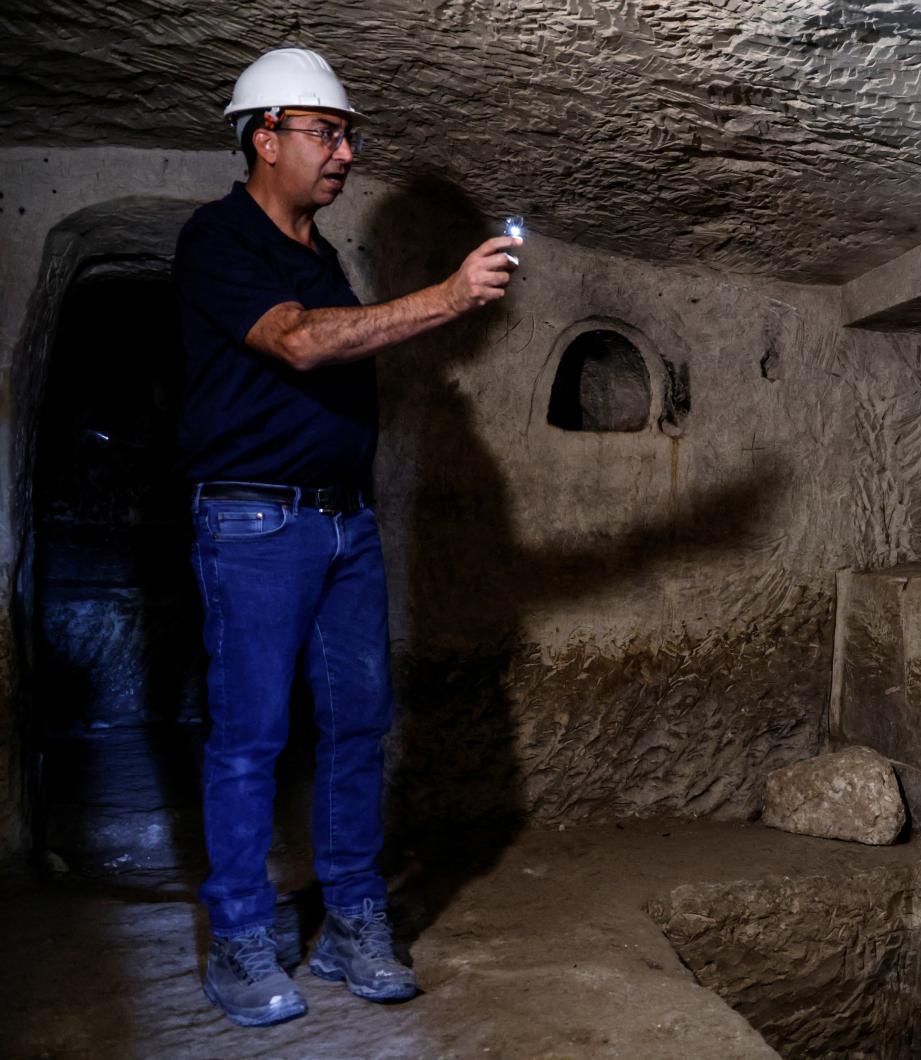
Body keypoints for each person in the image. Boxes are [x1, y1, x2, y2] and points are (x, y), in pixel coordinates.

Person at [172, 46, 520, 1027]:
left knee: (358, 725)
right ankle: (240, 941)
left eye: (348, 134)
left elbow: (325, 335)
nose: (346, 151)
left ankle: (353, 918)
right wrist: (448, 298)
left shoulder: (322, 258)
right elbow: (294, 339)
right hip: (252, 520)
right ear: (263, 136)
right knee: (250, 741)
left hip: (342, 523)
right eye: (326, 132)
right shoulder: (218, 239)